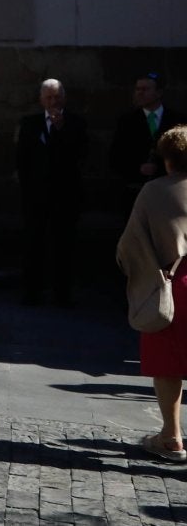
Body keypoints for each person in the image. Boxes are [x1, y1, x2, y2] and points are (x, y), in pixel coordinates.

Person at [116, 125, 187, 463]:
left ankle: (172, 436)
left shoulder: (153, 191)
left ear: (168, 159)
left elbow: (129, 246)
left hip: (175, 287)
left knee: (169, 364)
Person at [16, 79, 89, 306]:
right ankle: (32, 292)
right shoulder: (30, 123)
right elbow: (22, 158)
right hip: (37, 196)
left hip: (65, 195)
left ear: (63, 98)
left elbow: (80, 154)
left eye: (56, 97)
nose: (53, 101)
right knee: (33, 243)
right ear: (41, 100)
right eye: (48, 97)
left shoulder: (75, 123)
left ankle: (62, 293)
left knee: (63, 245)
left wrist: (61, 129)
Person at [110, 72, 186, 214]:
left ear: (159, 93)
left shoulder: (176, 119)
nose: (140, 93)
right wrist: (138, 168)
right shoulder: (126, 121)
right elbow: (116, 156)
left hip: (169, 191)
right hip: (137, 191)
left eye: (145, 89)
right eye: (138, 89)